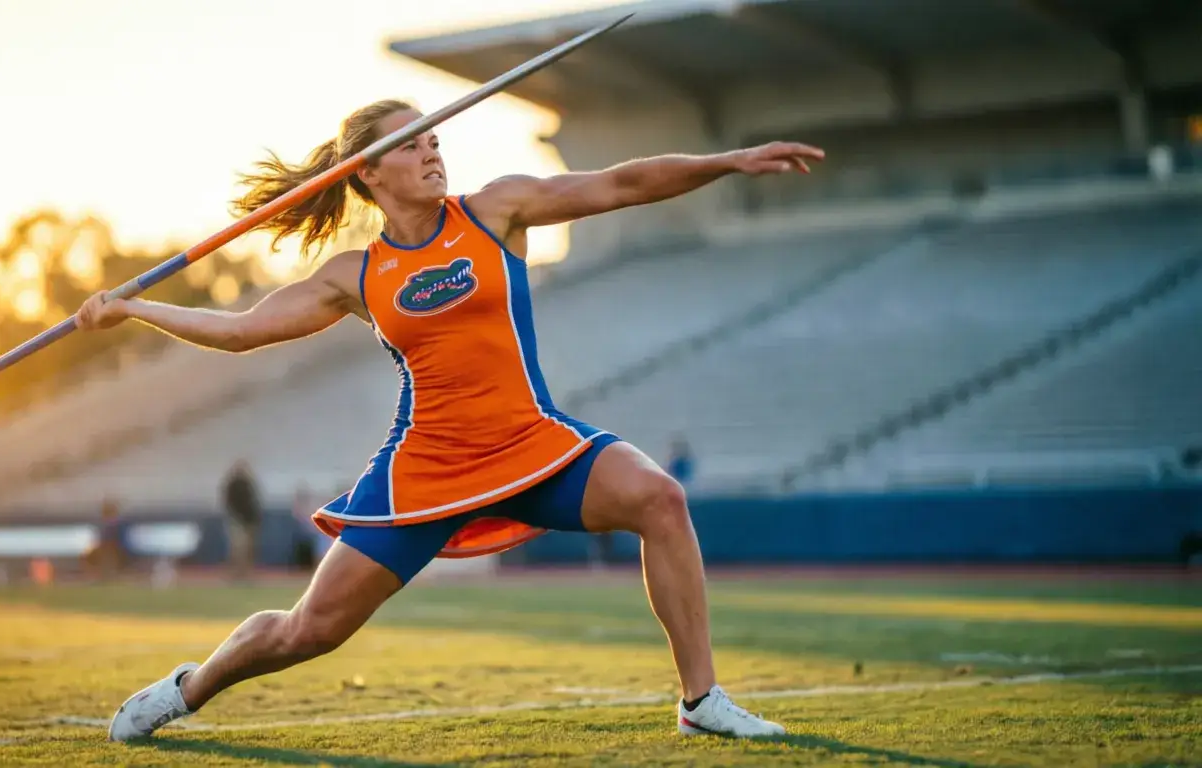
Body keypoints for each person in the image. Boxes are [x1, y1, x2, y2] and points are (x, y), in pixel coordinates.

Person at [76, 99, 823, 741]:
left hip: (532, 444)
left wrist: (727, 161)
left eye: (435, 139)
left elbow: (621, 184)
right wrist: (135, 309)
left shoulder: (497, 209)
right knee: (310, 630)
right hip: (425, 472)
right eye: (413, 144)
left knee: (659, 497)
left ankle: (700, 701)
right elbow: (241, 332)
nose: (433, 152)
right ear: (369, 172)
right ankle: (189, 688)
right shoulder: (355, 274)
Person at [220, 460, 261, 582]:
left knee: (248, 549)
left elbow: (253, 504)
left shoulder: (248, 485)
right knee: (237, 549)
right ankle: (235, 574)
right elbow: (229, 503)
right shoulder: (233, 485)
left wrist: (254, 520)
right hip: (237, 520)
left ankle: (246, 574)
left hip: (248, 521)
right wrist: (236, 517)